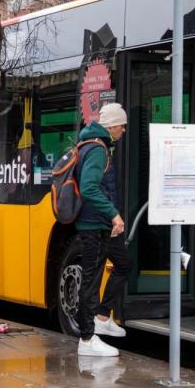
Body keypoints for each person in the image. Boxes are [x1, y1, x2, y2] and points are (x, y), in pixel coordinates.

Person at [74, 103, 130, 358]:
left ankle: (102, 315)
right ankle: (87, 339)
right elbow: (89, 188)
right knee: (91, 280)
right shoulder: (97, 150)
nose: (124, 130)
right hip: (94, 225)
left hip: (103, 225)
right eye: (122, 125)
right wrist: (113, 214)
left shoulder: (95, 145)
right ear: (112, 126)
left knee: (123, 264)